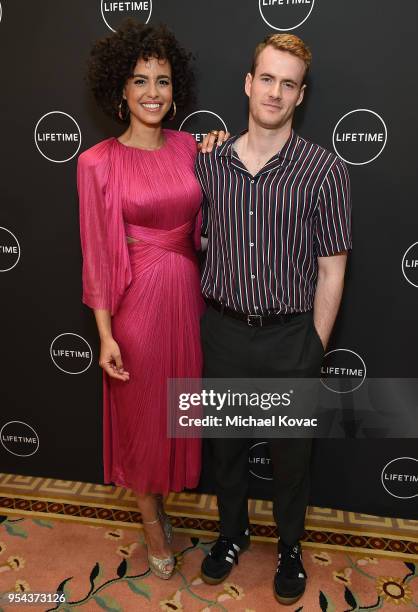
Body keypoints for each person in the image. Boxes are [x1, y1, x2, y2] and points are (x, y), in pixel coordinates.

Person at [196, 33, 352, 605]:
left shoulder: (324, 170)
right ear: (248, 82)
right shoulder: (209, 161)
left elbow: (333, 270)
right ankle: (231, 535)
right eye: (267, 78)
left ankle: (290, 547)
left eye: (288, 83)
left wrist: (313, 346)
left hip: (291, 335)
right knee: (226, 449)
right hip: (224, 329)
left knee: (292, 457)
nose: (275, 91)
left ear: (300, 95)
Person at [77, 20, 208, 580]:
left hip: (189, 301)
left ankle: (165, 505)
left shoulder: (191, 147)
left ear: (175, 90)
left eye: (162, 80)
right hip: (136, 306)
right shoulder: (97, 162)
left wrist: (219, 152)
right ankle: (152, 521)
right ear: (120, 91)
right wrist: (105, 335)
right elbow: (98, 254)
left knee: (177, 413)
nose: (153, 92)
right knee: (140, 419)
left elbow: (210, 224)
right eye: (140, 81)